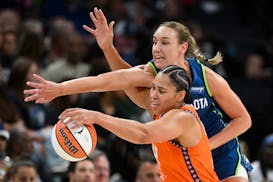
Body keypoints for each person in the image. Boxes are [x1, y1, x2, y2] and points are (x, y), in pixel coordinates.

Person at [24, 7, 252, 181]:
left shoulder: (207, 78)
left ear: (183, 47)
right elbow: (109, 80)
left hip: (220, 152)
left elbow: (243, 119)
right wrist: (61, 88)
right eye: (154, 42)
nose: (156, 48)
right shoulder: (151, 75)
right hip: (180, 156)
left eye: (165, 42)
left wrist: (206, 145)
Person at [59, 65, 219, 181]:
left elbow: (144, 134)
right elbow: (124, 81)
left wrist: (97, 117)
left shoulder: (184, 118)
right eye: (153, 88)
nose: (154, 95)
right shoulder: (161, 111)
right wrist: (108, 48)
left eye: (161, 91)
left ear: (180, 96)